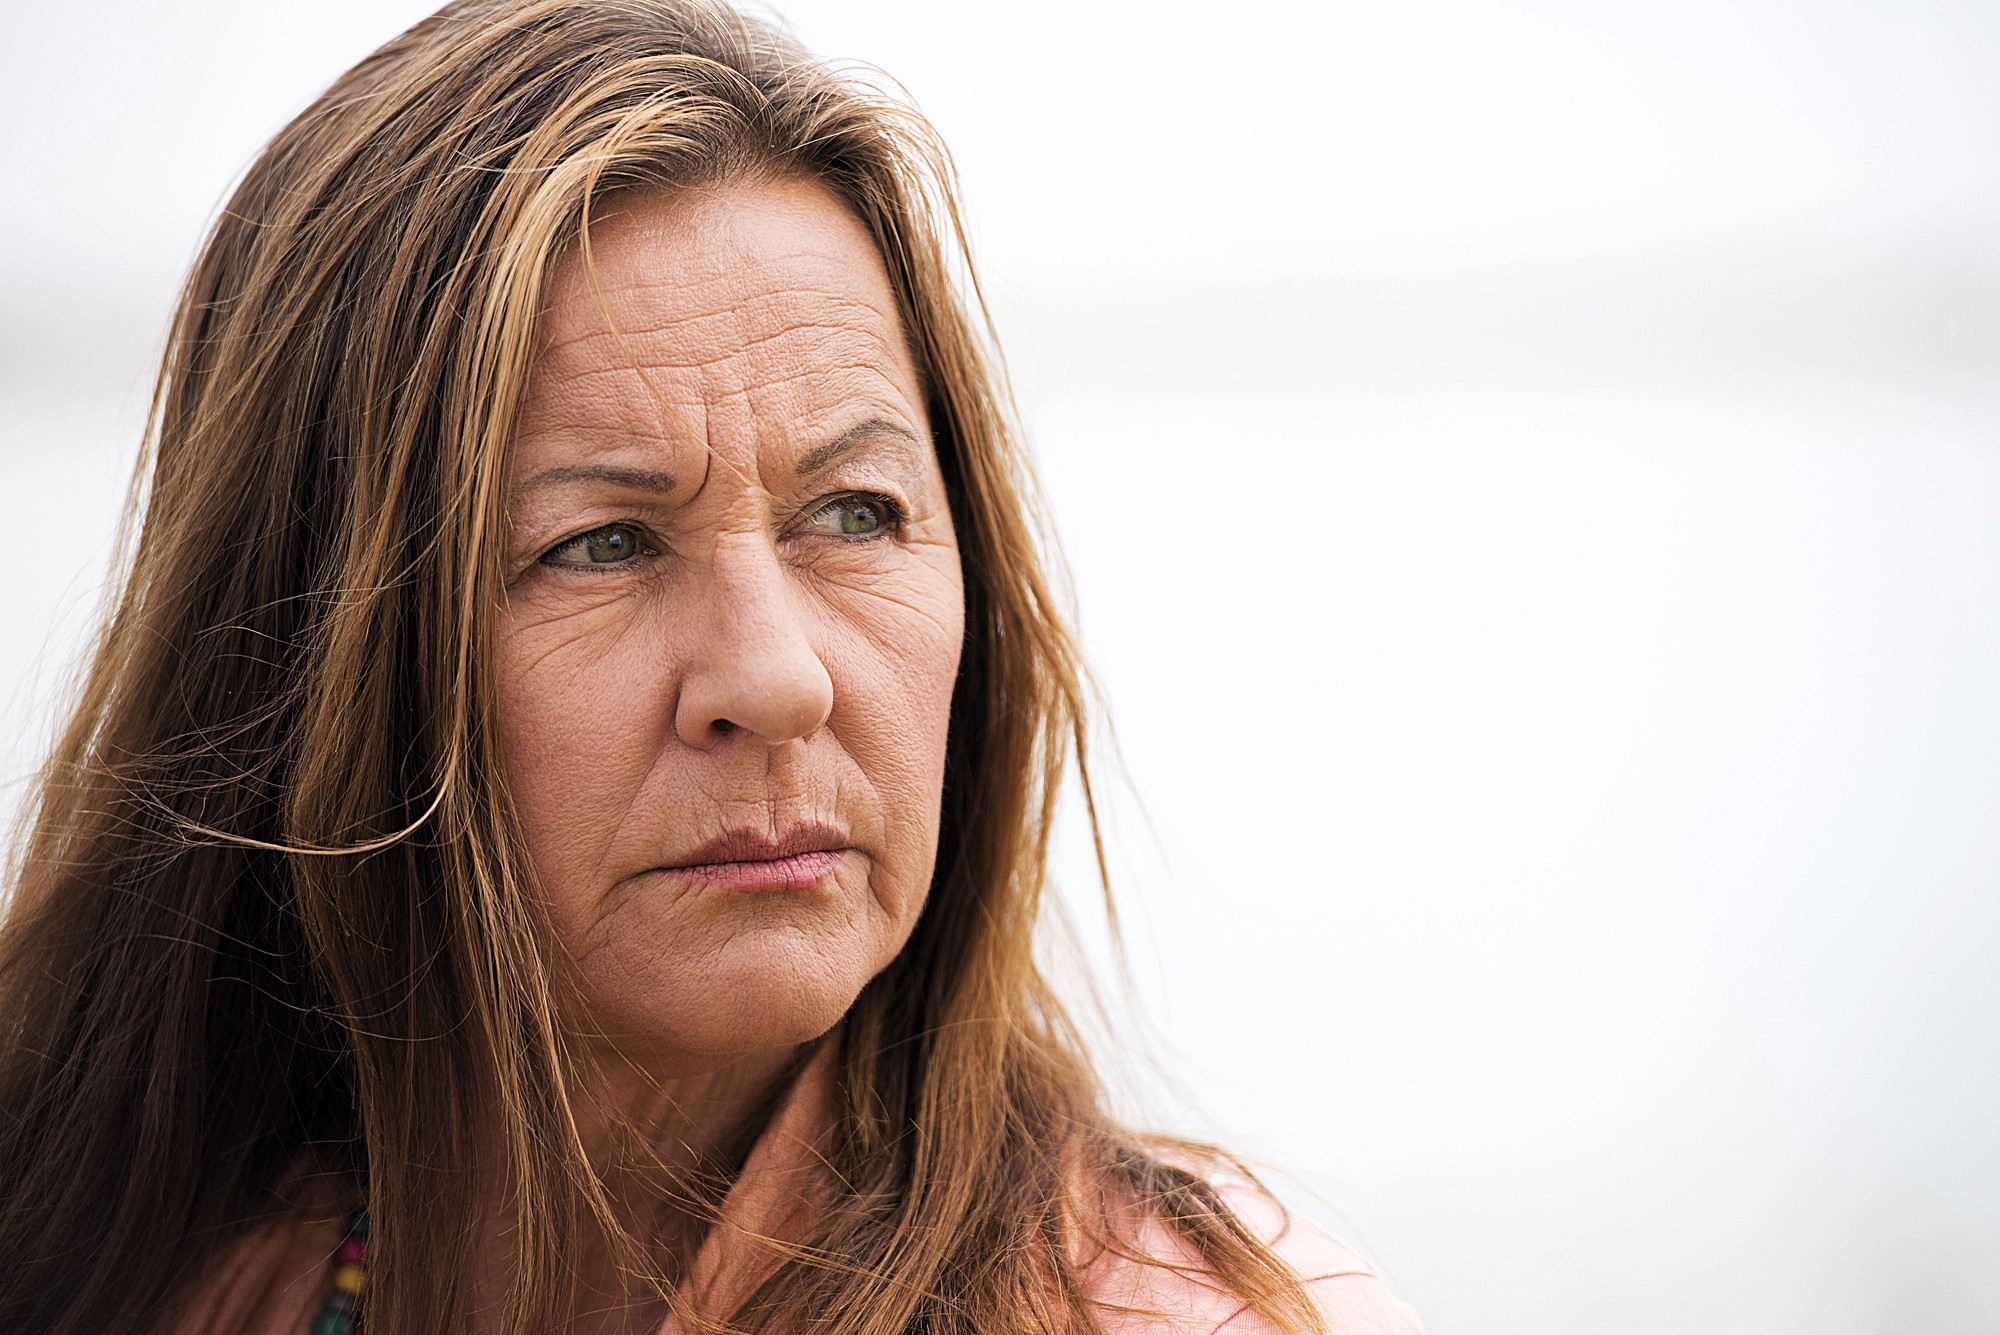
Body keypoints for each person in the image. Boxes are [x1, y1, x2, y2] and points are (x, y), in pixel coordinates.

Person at [0, 2, 1424, 1332]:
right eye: (603, 542)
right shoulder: (94, 1254)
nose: (779, 679)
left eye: (856, 514)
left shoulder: (1199, 1309)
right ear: (314, 649)